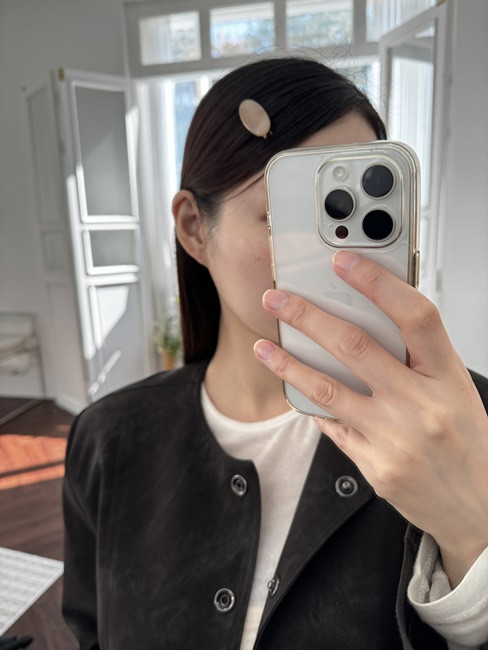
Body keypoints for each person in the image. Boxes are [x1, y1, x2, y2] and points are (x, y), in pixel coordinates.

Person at [62, 57, 488, 649]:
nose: (336, 258)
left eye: (355, 217)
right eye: (283, 216)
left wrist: (472, 535)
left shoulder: (466, 422)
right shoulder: (108, 438)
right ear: (194, 228)